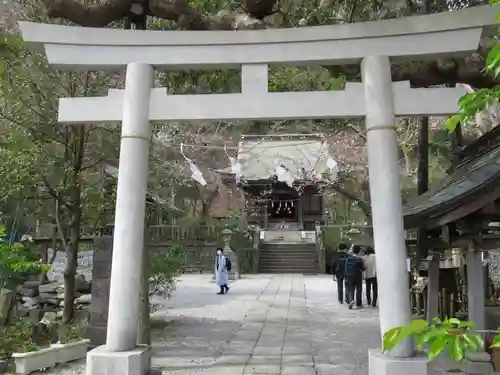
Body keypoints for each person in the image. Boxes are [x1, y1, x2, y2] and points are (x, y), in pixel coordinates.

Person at [345, 245, 365, 309]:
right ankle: (359, 304)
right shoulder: (359, 259)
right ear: (359, 251)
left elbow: (346, 268)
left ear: (352, 251)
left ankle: (351, 300)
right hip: (357, 275)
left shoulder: (348, 259)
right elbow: (363, 268)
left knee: (351, 289)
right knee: (359, 289)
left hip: (349, 275)